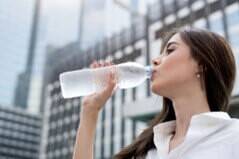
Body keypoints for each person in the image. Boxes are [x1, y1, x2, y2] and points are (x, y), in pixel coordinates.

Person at [72, 27, 239, 159]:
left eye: (170, 50)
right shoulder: (149, 152)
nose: (155, 60)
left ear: (201, 66)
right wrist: (90, 111)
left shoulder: (233, 137)